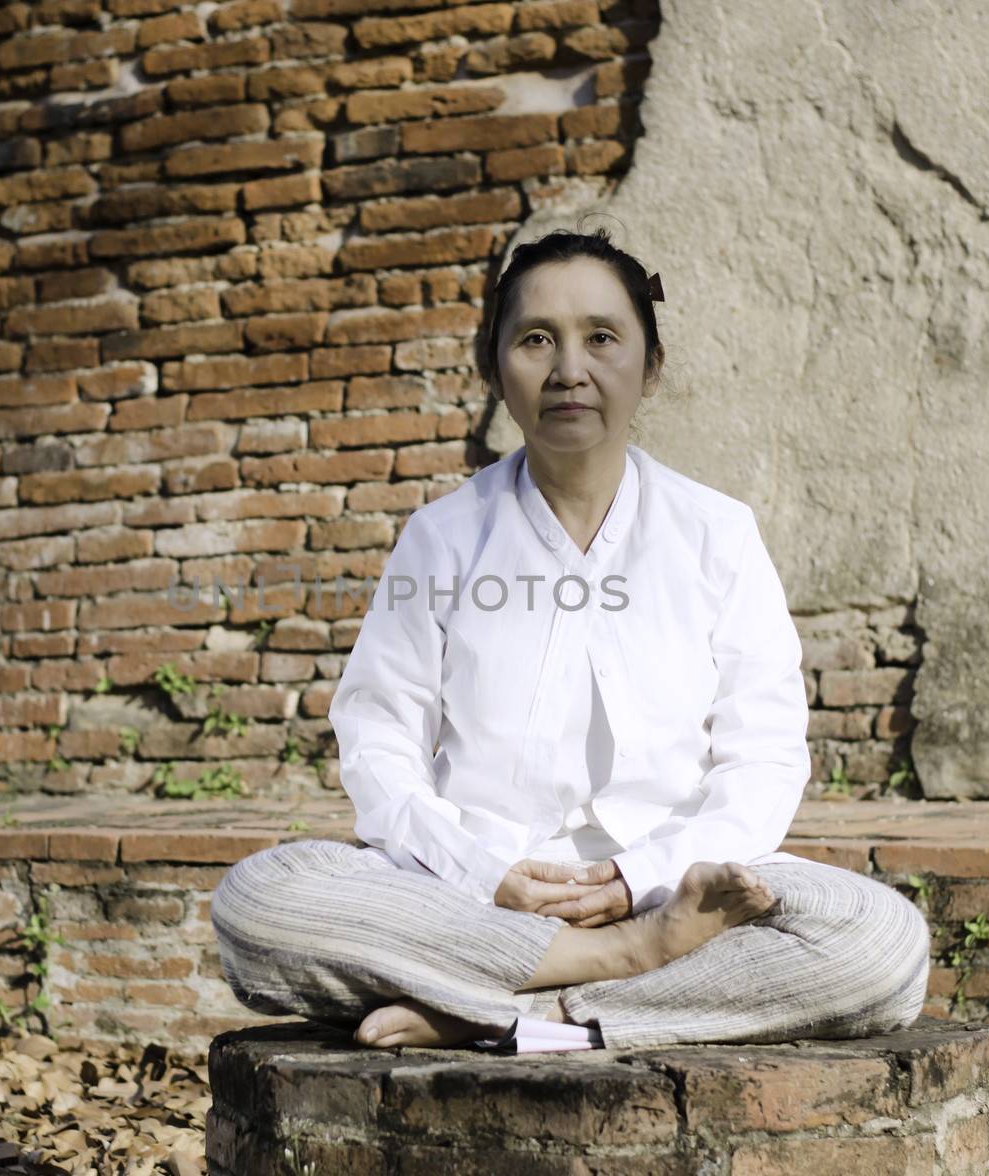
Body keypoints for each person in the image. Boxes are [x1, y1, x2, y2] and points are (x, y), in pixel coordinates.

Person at [210, 226, 930, 1051]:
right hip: (472, 897)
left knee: (883, 943)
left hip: (674, 894)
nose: (569, 370)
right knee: (259, 901)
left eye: (601, 338)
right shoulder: (442, 539)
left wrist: (639, 883)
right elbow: (379, 743)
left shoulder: (717, 536)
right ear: (495, 369)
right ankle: (616, 971)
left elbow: (763, 760)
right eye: (537, 340)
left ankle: (518, 1017)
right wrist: (485, 875)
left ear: (649, 367)